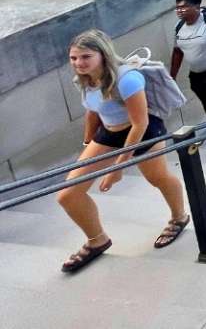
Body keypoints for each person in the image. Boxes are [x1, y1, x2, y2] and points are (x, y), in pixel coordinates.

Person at [57, 30, 190, 273]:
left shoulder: (127, 79)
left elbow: (140, 124)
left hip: (143, 132)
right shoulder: (85, 78)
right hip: (108, 132)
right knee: (68, 195)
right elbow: (93, 110)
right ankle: (97, 240)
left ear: (103, 54)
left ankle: (179, 216)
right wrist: (88, 142)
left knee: (157, 178)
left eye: (85, 57)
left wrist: (117, 168)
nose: (78, 63)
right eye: (74, 58)